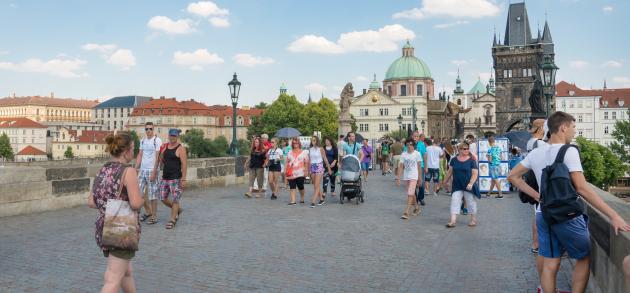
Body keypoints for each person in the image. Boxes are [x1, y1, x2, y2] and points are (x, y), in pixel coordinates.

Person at [508, 111, 630, 293]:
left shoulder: (536, 152)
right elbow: (581, 188)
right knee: (583, 256)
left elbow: (513, 177)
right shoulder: (569, 151)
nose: (574, 132)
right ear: (563, 127)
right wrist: (613, 215)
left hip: (543, 213)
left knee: (550, 262)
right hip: (567, 215)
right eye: (573, 127)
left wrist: (538, 196)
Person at [88, 132, 143, 293]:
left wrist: (107, 204)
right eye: (133, 148)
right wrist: (143, 198)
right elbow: (135, 203)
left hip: (103, 227)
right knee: (112, 279)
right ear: (125, 151)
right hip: (121, 229)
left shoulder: (103, 169)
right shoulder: (128, 171)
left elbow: (91, 202)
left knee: (126, 272)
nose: (134, 152)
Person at [442, 141, 480, 228]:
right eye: (464, 149)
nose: (467, 150)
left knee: (470, 202)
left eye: (467, 149)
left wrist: (471, 183)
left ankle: (473, 219)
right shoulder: (454, 160)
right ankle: (453, 220)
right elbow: (449, 172)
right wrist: (444, 182)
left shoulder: (471, 160)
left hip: (468, 185)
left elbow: (475, 173)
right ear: (459, 149)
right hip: (457, 185)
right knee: (455, 200)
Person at [157, 129, 187, 230]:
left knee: (175, 199)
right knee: (162, 198)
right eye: (171, 136)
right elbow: (162, 160)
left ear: (177, 137)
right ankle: (178, 210)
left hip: (176, 178)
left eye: (174, 136)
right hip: (165, 177)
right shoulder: (165, 147)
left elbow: (184, 164)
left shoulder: (180, 148)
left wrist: (183, 179)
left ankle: (172, 220)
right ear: (168, 136)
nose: (172, 137)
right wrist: (161, 154)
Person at [134, 122, 162, 225]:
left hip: (152, 170)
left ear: (153, 129)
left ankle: (154, 216)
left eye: (150, 129)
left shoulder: (157, 140)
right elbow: (140, 155)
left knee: (152, 195)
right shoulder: (142, 140)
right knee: (138, 194)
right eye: (146, 129)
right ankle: (147, 212)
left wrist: (154, 172)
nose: (148, 131)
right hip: (142, 170)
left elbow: (158, 157)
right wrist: (135, 168)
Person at [396, 138, 422, 220]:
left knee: (410, 193)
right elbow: (401, 166)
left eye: (411, 145)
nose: (409, 146)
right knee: (412, 193)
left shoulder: (417, 154)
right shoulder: (404, 154)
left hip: (414, 176)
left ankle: (407, 211)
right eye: (407, 145)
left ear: (413, 146)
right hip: (406, 176)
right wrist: (398, 178)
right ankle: (417, 207)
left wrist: (420, 178)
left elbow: (419, 166)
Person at [308, 136, 332, 207]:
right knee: (315, 185)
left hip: (319, 166)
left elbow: (325, 159)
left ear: (317, 141)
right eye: (312, 140)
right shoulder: (310, 149)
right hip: (313, 166)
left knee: (316, 185)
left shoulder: (321, 149)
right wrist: (309, 169)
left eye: (314, 140)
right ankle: (321, 199)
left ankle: (313, 201)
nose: (313, 142)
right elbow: (310, 160)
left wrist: (329, 168)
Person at [286, 138, 309, 205]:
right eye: (293, 143)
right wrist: (286, 170)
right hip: (291, 172)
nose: (295, 144)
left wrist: (306, 171)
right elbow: (287, 162)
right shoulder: (289, 152)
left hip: (300, 172)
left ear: (299, 143)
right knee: (292, 186)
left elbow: (306, 162)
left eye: (296, 143)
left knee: (300, 186)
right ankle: (293, 200)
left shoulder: (304, 152)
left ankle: (302, 197)